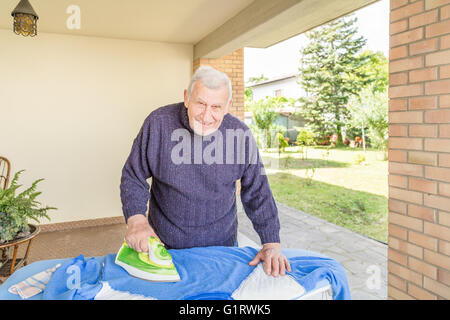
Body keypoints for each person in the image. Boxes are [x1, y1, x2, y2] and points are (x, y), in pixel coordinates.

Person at [120, 66, 291, 277]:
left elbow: (258, 192)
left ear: (228, 106)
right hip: (166, 246)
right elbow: (133, 175)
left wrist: (271, 242)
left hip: (222, 248)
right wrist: (136, 220)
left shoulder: (241, 135)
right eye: (200, 103)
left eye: (216, 107)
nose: (207, 116)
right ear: (187, 98)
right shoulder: (158, 123)